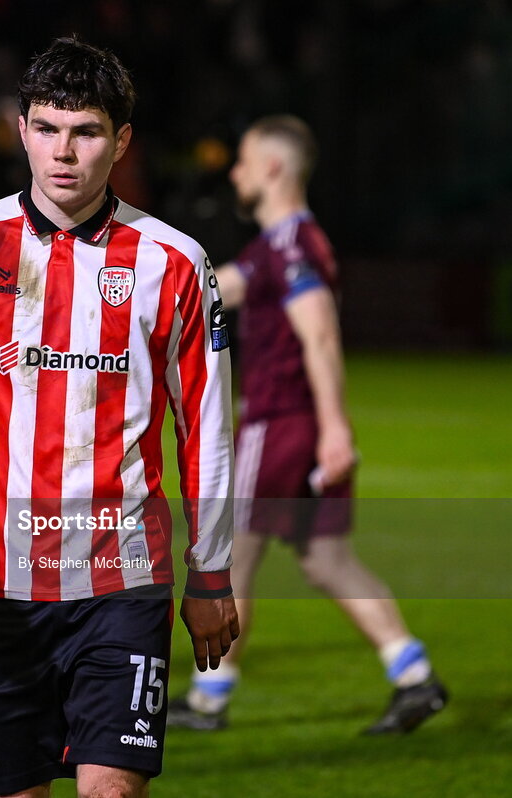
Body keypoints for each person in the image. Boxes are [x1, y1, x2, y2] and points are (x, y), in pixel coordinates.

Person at [0, 37, 239, 797]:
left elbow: (205, 422)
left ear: (122, 141)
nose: (63, 152)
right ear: (21, 131)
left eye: (86, 132)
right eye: (46, 128)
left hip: (123, 579)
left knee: (111, 789)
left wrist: (210, 570)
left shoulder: (174, 261)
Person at [167, 115, 448, 735]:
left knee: (230, 556)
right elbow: (219, 290)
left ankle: (210, 698)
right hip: (300, 426)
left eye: (242, 160)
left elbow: (319, 334)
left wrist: (335, 427)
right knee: (325, 559)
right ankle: (414, 675)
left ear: (271, 168)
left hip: (279, 424)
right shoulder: (284, 245)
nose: (234, 172)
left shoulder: (292, 246)